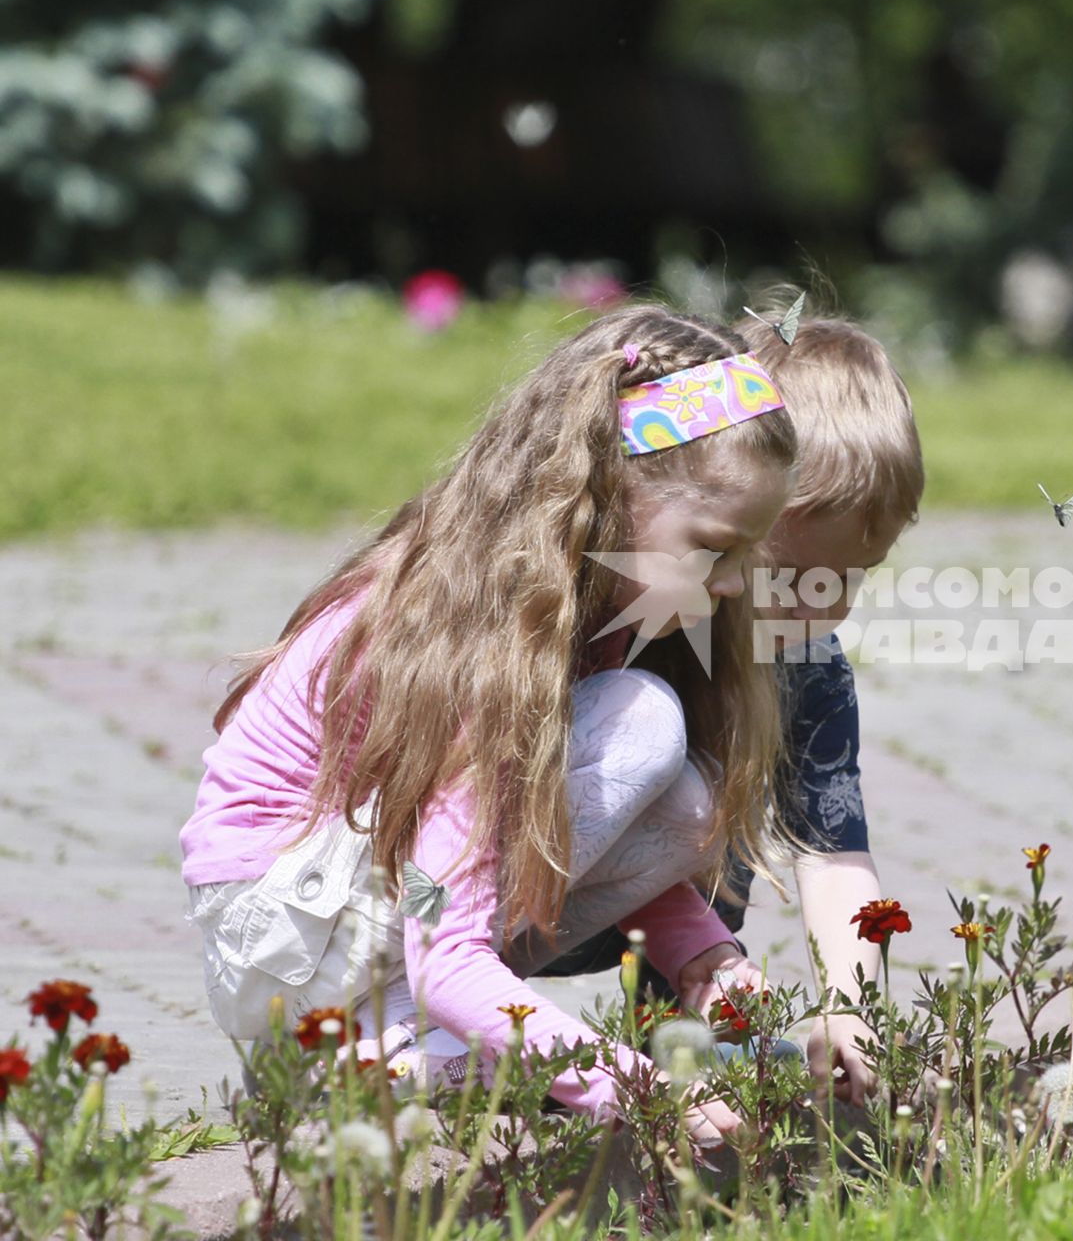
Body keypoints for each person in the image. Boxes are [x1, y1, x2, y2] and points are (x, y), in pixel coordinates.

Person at [177, 306, 796, 1141]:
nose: (730, 585)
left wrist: (703, 955)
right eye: (715, 547)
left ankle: (388, 1044)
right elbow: (450, 946)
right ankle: (357, 1050)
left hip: (361, 914)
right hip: (281, 936)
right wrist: (644, 1095)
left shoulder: (590, 607)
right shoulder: (481, 644)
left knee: (684, 798)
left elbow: (596, 827)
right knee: (642, 726)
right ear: (611, 495)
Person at [552, 310, 923, 1106]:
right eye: (788, 574)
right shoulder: (636, 606)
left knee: (722, 808)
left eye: (853, 578)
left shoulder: (805, 663)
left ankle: (679, 1033)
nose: (821, 608)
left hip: (655, 918)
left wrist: (851, 1011)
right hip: (512, 885)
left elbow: (834, 855)